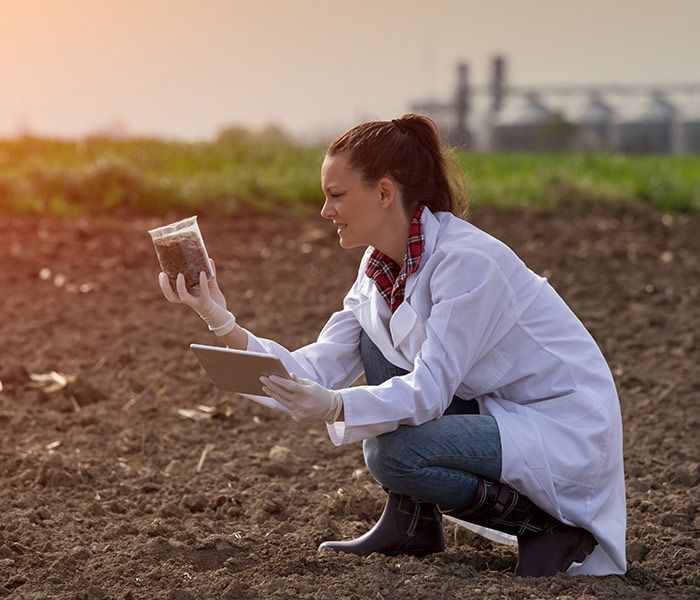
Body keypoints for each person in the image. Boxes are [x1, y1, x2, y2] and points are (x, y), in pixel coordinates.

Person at [158, 113, 626, 577]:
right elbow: (313, 369)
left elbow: (428, 391)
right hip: (499, 408)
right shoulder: (378, 267)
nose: (325, 212)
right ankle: (412, 523)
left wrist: (337, 406)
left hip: (560, 423)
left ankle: (546, 529)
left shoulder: (466, 262)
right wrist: (218, 317)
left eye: (336, 196)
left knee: (394, 454)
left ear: (384, 193)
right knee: (377, 339)